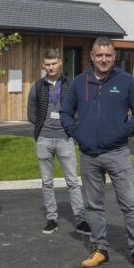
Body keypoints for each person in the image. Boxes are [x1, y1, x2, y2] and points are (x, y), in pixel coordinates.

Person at [59, 36, 134, 268]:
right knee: (93, 205)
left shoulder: (126, 81)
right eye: (99, 55)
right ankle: (99, 247)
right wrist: (77, 133)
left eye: (108, 55)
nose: (103, 59)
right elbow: (65, 112)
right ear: (91, 56)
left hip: (118, 152)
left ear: (114, 56)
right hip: (89, 155)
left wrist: (125, 131)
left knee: (130, 203)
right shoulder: (79, 82)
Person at [28, 48, 89, 235]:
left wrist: (70, 126)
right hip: (44, 139)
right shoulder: (37, 86)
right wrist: (42, 125)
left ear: (60, 62)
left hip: (65, 139)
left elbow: (80, 108)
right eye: (47, 64)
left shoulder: (71, 84)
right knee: (47, 182)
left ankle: (80, 219)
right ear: (43, 65)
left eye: (53, 64)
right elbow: (31, 113)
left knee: (72, 181)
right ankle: (51, 218)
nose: (50, 67)